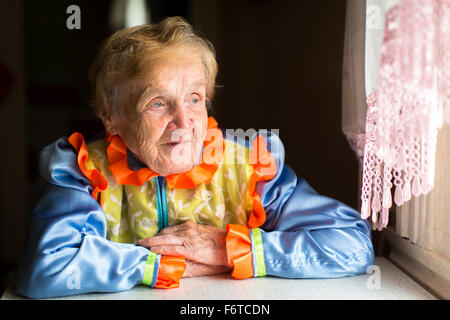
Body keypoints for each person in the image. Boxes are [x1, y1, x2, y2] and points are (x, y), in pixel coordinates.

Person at [11, 16, 374, 299]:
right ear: (111, 116)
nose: (183, 123)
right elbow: (45, 269)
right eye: (157, 103)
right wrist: (158, 266)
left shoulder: (249, 167)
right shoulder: (83, 170)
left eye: (195, 99)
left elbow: (351, 246)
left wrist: (232, 249)